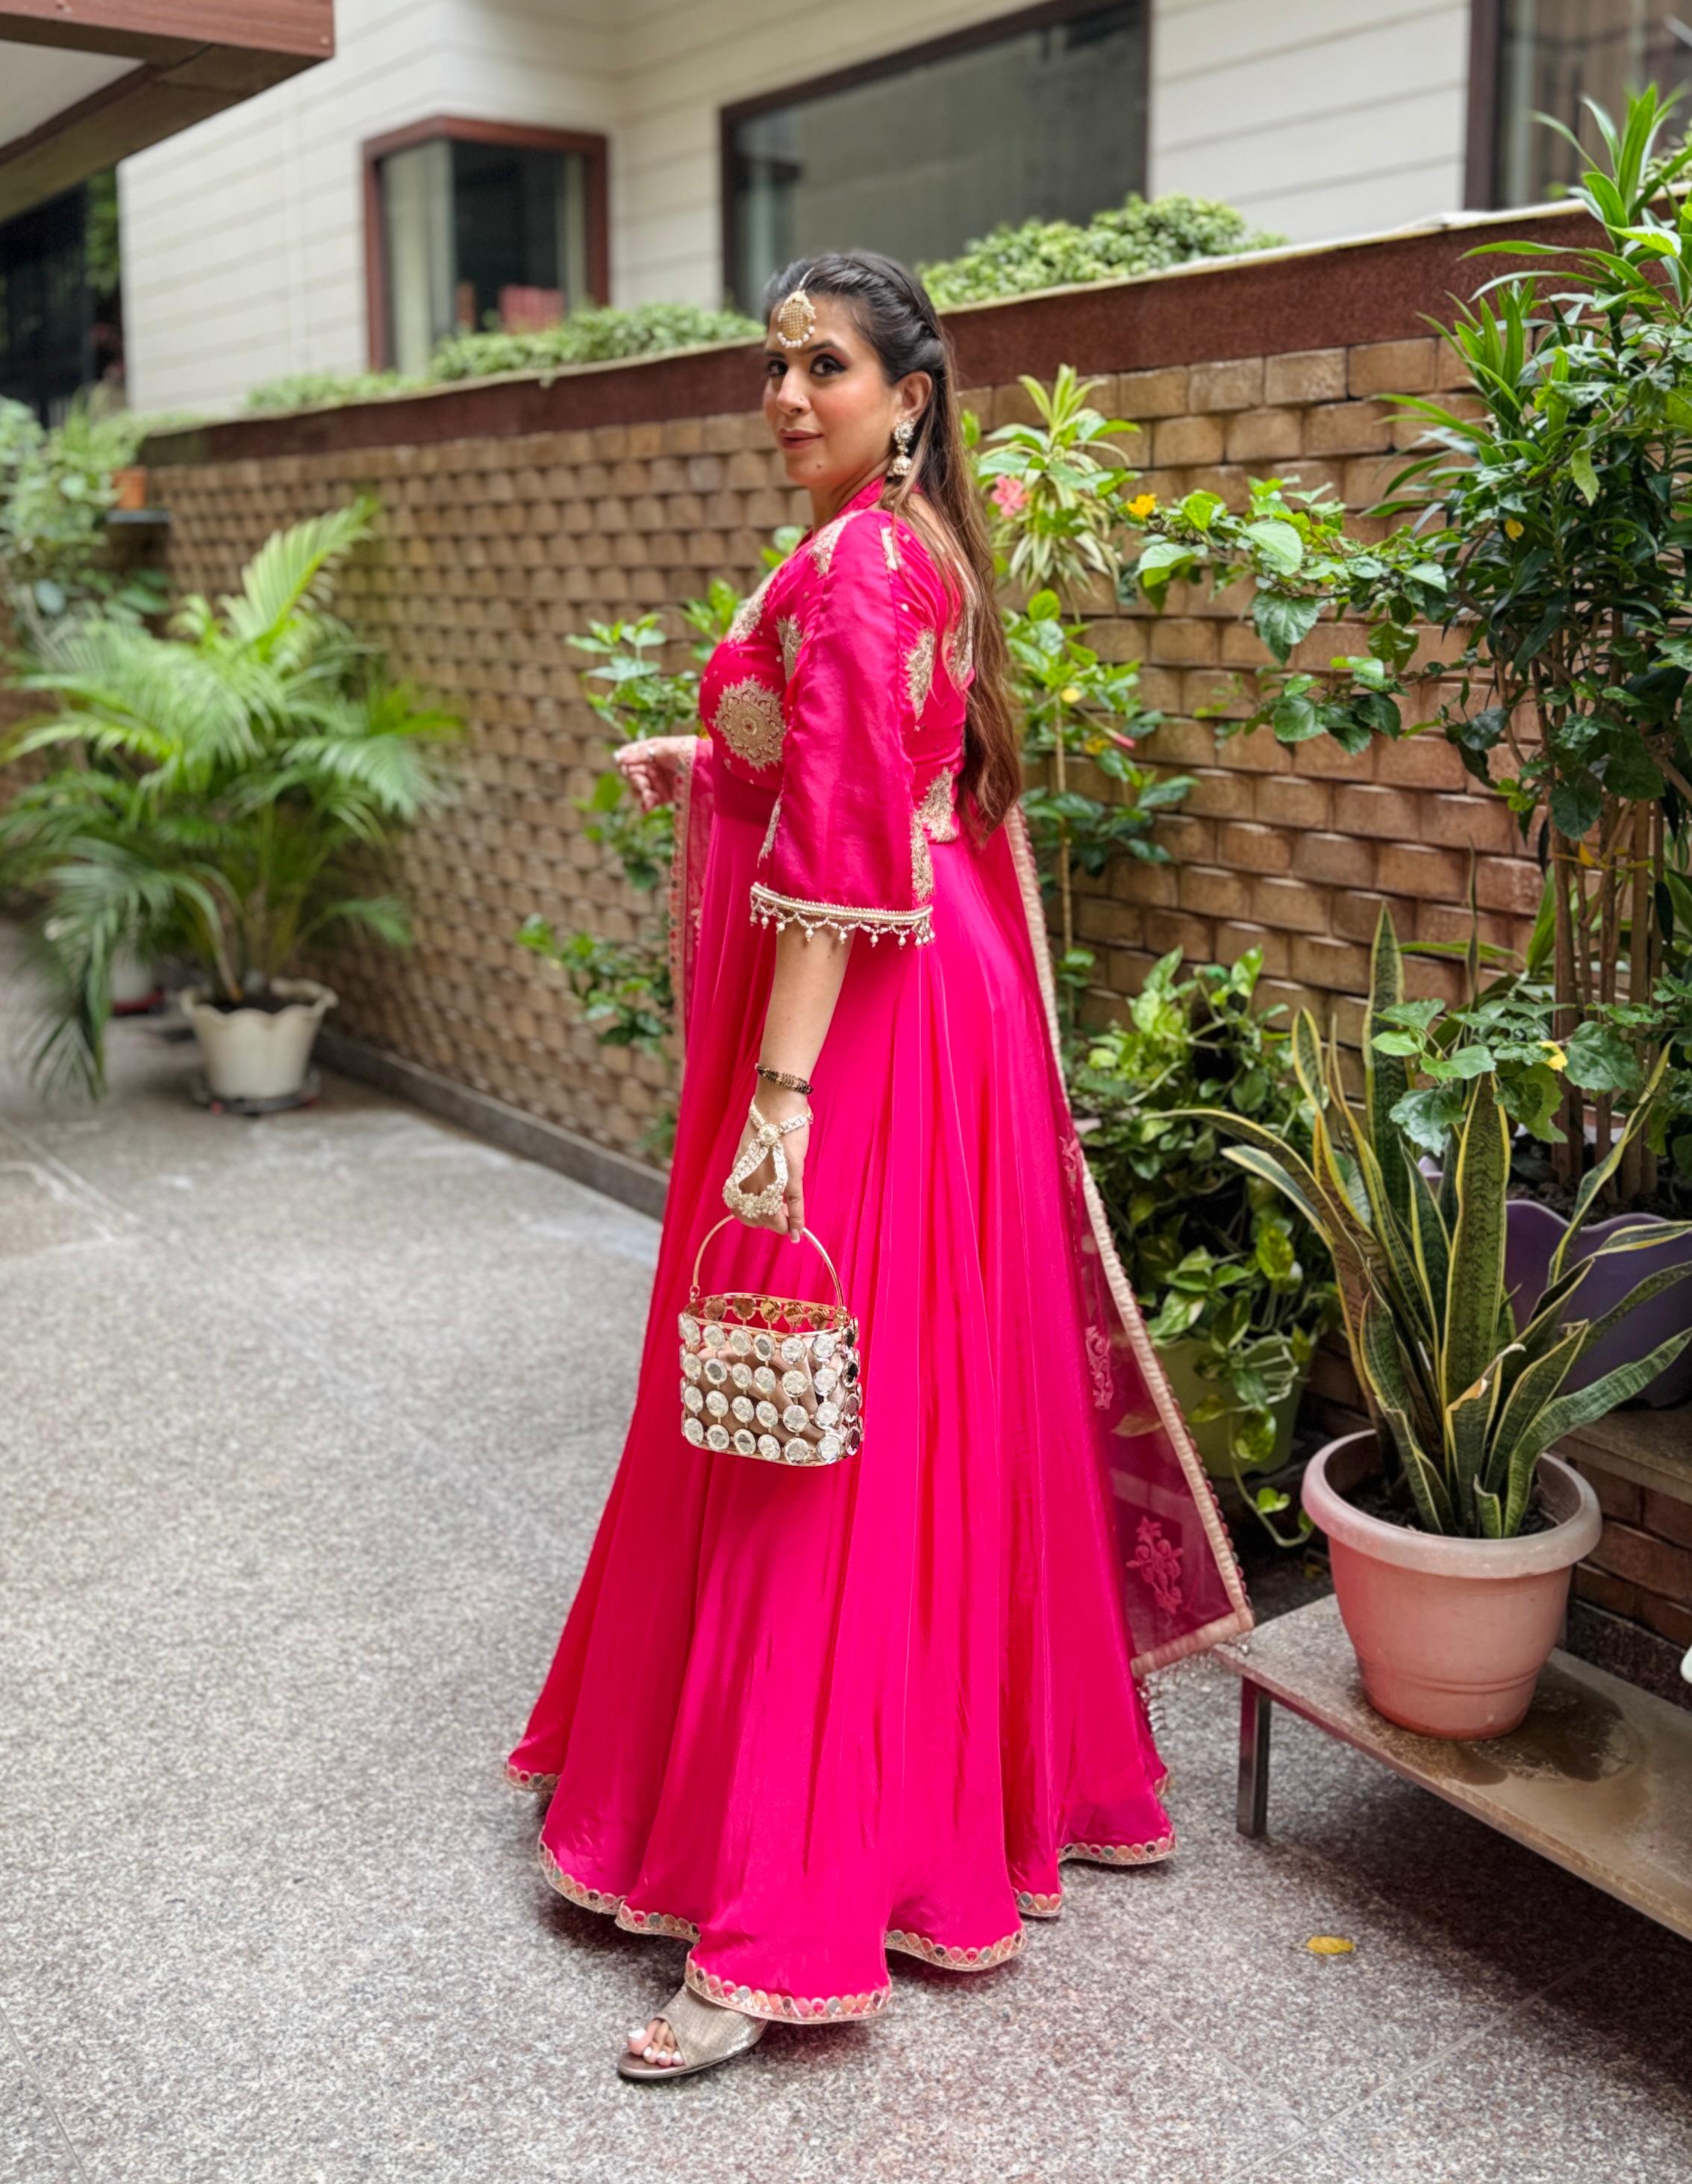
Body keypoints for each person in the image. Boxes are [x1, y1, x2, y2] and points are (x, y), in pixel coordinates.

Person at [508, 250, 1252, 2082]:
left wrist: (778, 1099)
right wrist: (711, 756)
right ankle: (936, 1805)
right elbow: (887, 771)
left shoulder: (858, 561)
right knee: (907, 1404)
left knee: (816, 1440)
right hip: (939, 999)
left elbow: (848, 857)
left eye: (823, 367)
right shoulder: (915, 548)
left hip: (865, 1026)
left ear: (909, 396)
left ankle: (782, 1920)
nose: (787, 398)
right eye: (775, 368)